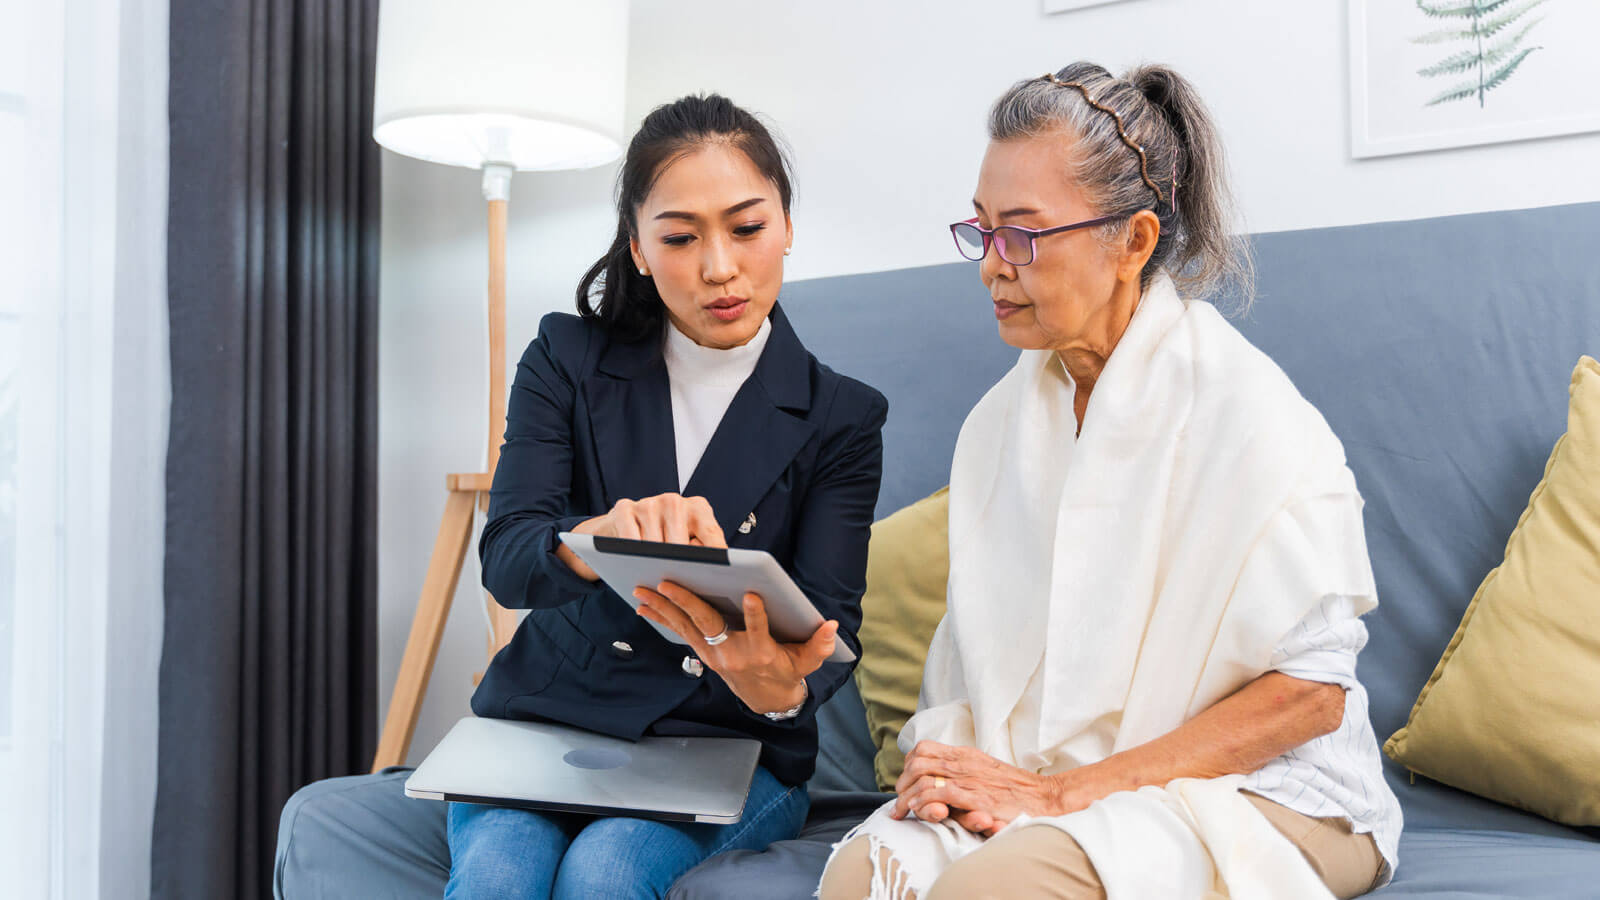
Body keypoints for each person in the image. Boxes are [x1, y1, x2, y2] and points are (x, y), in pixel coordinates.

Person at [274, 93, 887, 900]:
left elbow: (826, 630)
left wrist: (770, 684)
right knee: (497, 878)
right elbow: (508, 562)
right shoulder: (566, 357)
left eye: (746, 227)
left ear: (786, 226)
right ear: (637, 247)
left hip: (726, 744)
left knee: (607, 871)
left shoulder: (842, 414)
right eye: (679, 236)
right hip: (545, 724)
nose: (719, 267)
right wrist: (596, 538)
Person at [818, 62, 1400, 900]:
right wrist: (962, 769)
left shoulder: (1250, 412)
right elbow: (974, 661)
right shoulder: (998, 425)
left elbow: (1310, 700)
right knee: (862, 880)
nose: (990, 265)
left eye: (1021, 234)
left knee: (990, 891)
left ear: (1133, 240)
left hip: (1266, 793)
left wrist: (1059, 796)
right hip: (1054, 780)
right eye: (980, 231)